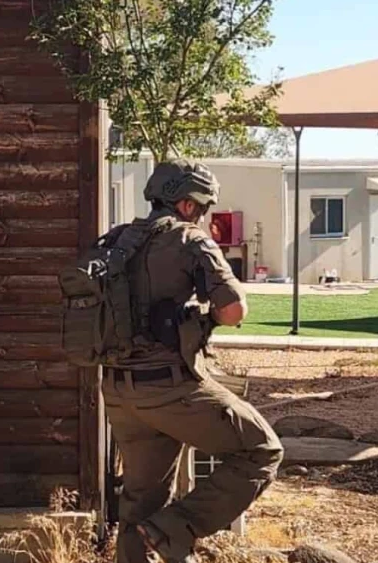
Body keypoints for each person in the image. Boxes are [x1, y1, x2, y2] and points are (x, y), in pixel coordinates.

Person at [103, 160, 283, 563]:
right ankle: (174, 528)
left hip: (117, 390)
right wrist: (208, 317)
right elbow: (234, 310)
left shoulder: (114, 240)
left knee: (141, 500)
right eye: (201, 207)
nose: (201, 215)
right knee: (262, 450)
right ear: (186, 204)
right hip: (170, 388)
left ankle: (153, 533)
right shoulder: (190, 240)